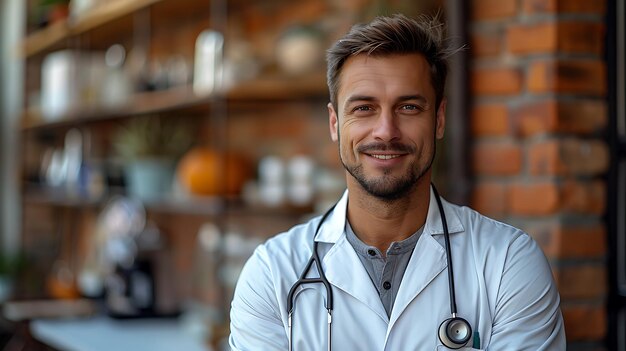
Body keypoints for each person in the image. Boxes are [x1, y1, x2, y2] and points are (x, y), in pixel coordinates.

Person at [229, 14, 565, 350]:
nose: (386, 131)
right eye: (364, 108)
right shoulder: (272, 274)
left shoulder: (508, 262)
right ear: (335, 124)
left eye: (408, 107)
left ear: (439, 120)